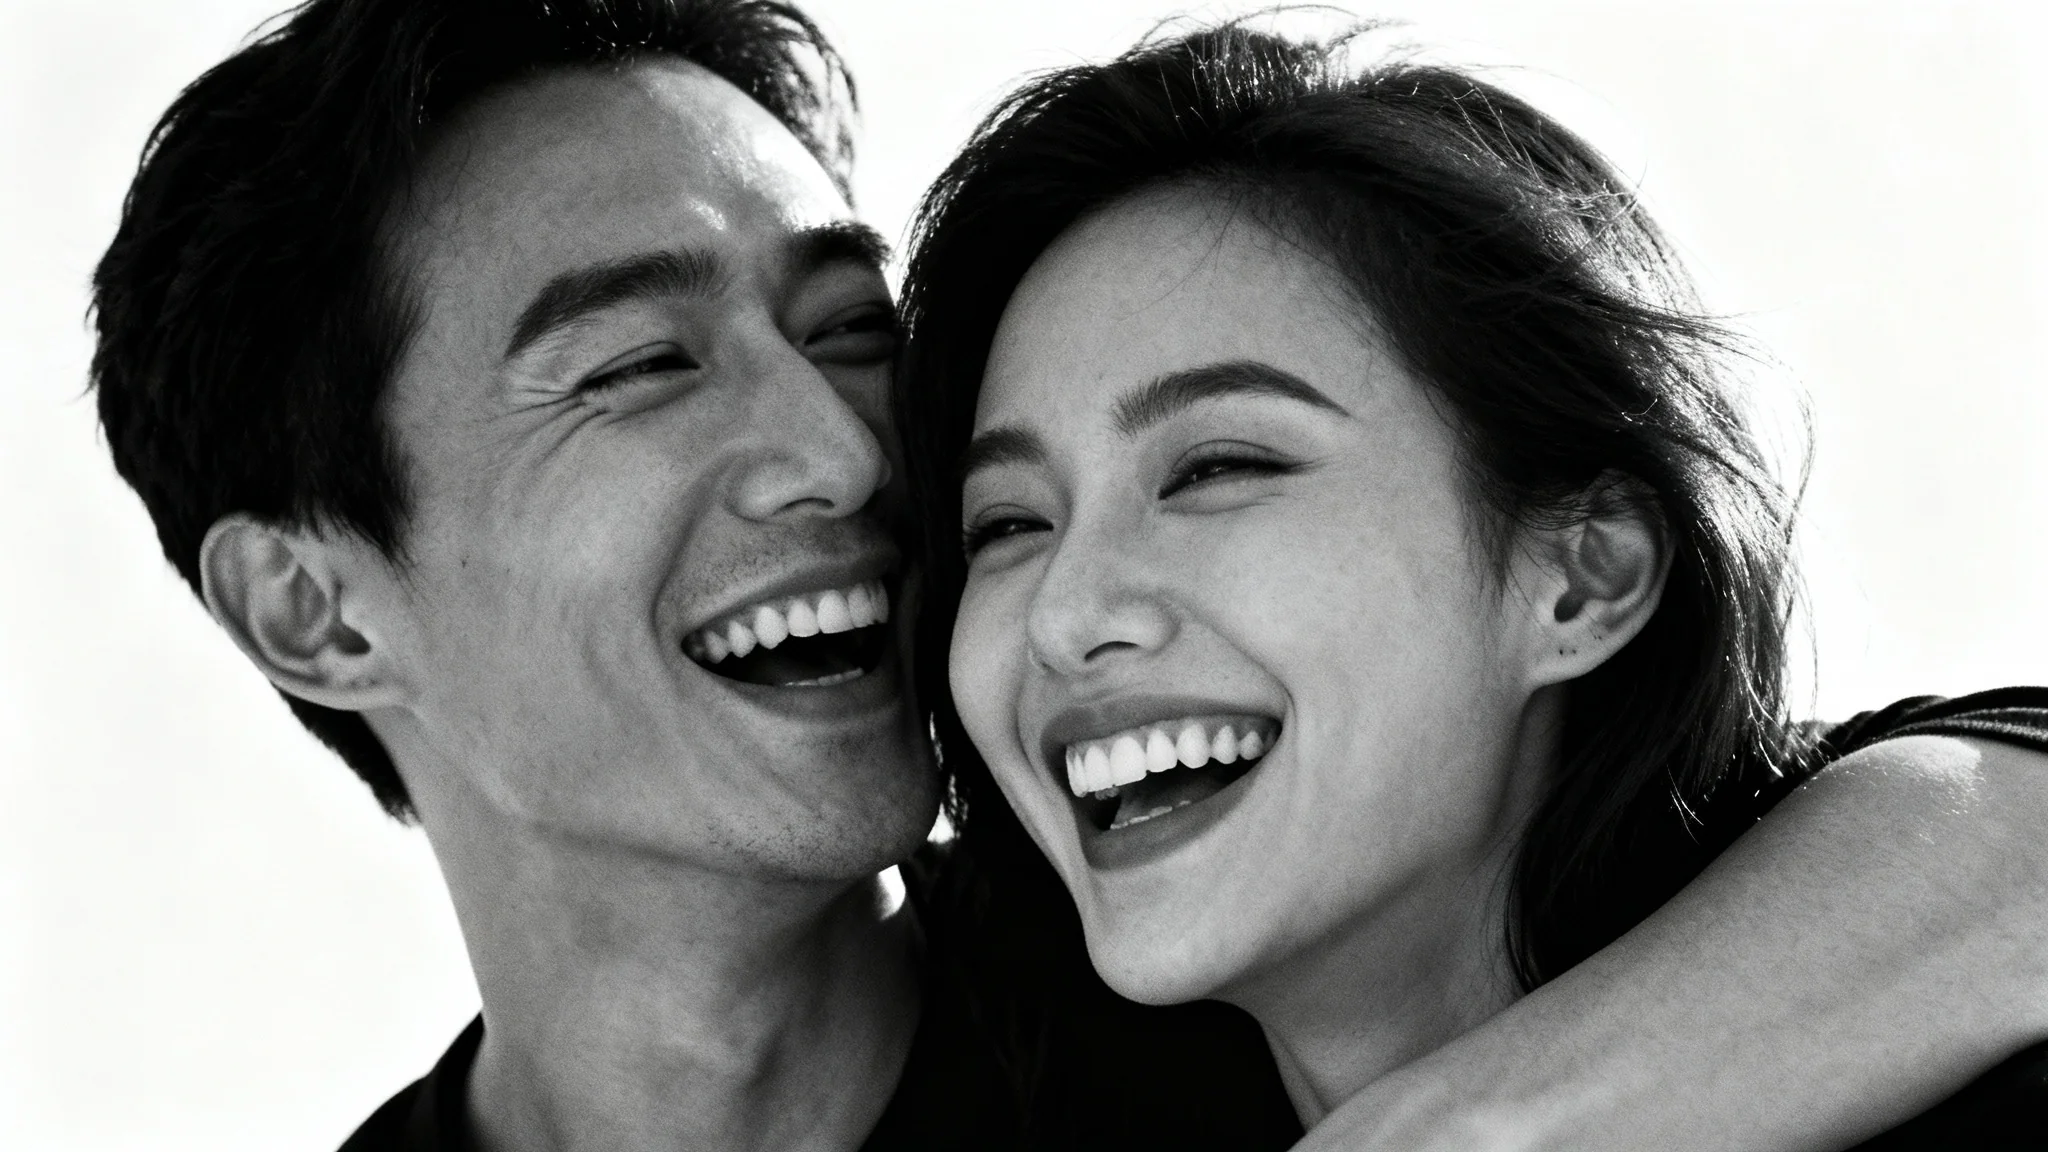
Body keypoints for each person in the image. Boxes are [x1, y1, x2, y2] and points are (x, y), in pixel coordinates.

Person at [90, 0, 2047, 1148]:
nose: (848, 452)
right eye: (641, 365)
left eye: (847, 331)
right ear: (316, 607)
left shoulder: (1248, 950)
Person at [900, 20, 2048, 1151]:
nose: (1063, 614)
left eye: (1215, 468)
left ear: (1583, 576)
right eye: (1006, 525)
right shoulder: (992, 1050)